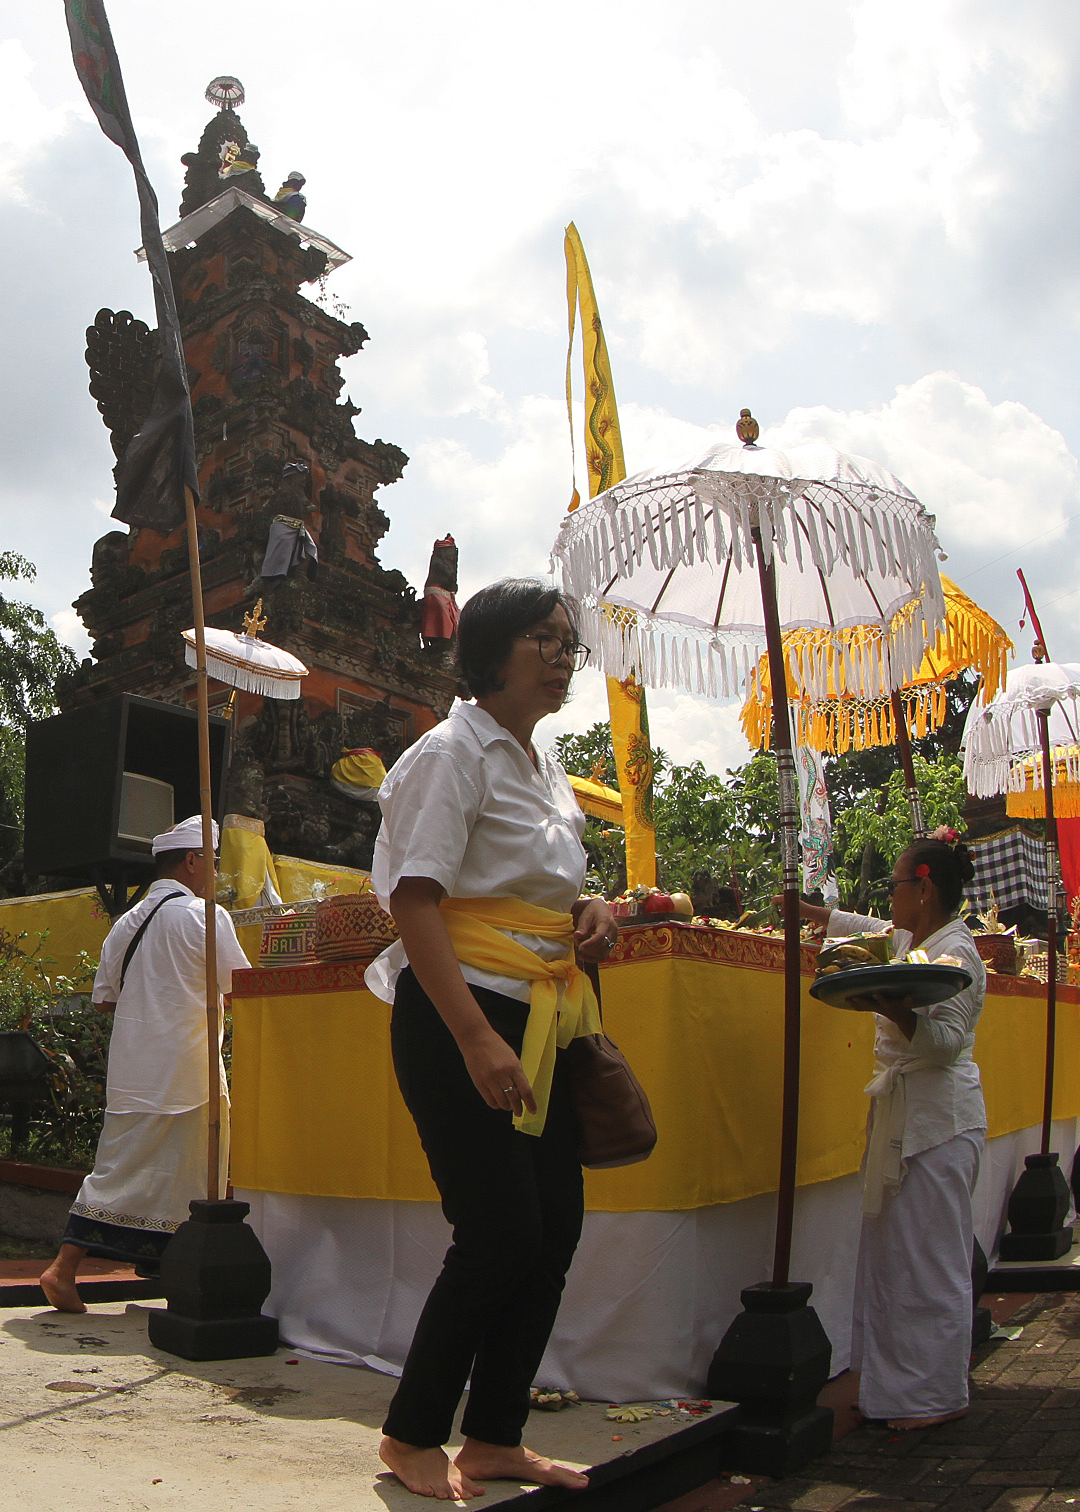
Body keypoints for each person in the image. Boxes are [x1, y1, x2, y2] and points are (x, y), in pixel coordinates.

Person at [366, 579, 620, 1501]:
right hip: (456, 1014)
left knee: (554, 1228)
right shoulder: (450, 753)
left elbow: (539, 892)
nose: (562, 659)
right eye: (546, 641)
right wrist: (475, 1038)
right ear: (492, 649)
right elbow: (414, 901)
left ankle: (495, 1438)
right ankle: (412, 1436)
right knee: (499, 1230)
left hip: (541, 1014)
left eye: (569, 644)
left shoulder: (543, 767)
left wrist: (591, 910)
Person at [796, 833, 987, 1431]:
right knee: (893, 1262)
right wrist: (810, 914)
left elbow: (945, 1044)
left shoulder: (958, 954)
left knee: (929, 1263)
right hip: (906, 1118)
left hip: (938, 1122)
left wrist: (898, 1007)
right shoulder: (914, 941)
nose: (892, 898)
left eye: (897, 885)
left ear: (924, 886)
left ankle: (933, 1396)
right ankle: (896, 1391)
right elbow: (869, 929)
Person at [37, 821, 251, 1313]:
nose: (214, 871)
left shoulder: (125, 923)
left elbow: (104, 1002)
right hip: (187, 1071)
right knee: (199, 1174)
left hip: (134, 1071)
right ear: (192, 862)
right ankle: (65, 1269)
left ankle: (77, 1268)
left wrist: (152, 1002)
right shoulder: (206, 917)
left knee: (119, 1169)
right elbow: (240, 989)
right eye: (212, 860)